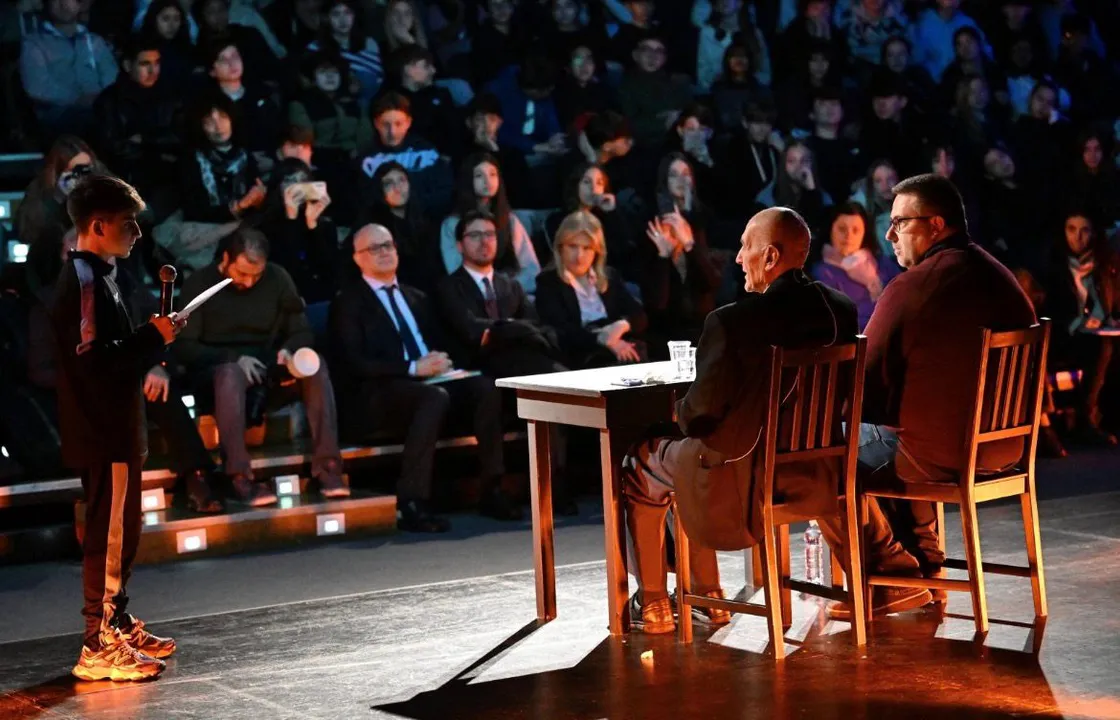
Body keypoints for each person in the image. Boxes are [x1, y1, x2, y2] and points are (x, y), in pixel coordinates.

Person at [622, 207, 859, 633]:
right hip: (816, 473)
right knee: (686, 452)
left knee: (644, 460)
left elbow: (699, 415)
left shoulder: (732, 321)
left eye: (746, 246)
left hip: (741, 480)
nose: (736, 258)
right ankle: (706, 597)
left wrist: (675, 409)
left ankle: (657, 604)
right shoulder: (839, 309)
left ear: (770, 257)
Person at [816, 174, 1037, 619]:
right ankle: (927, 572)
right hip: (1004, 447)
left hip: (941, 454)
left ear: (936, 225)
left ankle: (890, 574)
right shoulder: (997, 275)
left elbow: (865, 386)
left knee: (819, 456)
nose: (889, 234)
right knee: (894, 429)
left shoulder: (915, 285)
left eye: (901, 223)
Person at [51, 175, 182, 681]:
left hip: (120, 426)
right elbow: (92, 365)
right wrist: (151, 336)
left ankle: (117, 622)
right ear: (98, 226)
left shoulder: (103, 275)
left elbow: (112, 354)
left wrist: (154, 338)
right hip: (103, 430)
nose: (137, 234)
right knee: (107, 537)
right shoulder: (85, 280)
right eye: (129, 225)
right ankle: (98, 642)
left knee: (123, 532)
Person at [328, 223, 517, 530]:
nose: (385, 252)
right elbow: (354, 363)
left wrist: (444, 359)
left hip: (430, 381)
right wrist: (413, 368)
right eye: (374, 248)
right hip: (378, 392)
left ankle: (493, 488)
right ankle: (412, 500)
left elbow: (441, 342)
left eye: (388, 245)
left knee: (485, 388)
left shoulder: (416, 297)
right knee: (433, 397)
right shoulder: (348, 302)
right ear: (357, 258)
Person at [175, 228, 348, 505]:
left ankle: (328, 467)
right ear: (226, 259)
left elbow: (301, 330)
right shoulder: (200, 284)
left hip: (268, 366)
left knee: (315, 365)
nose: (249, 282)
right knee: (230, 373)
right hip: (219, 371)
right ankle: (238, 476)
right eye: (242, 273)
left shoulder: (278, 278)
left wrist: (288, 351)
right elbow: (184, 347)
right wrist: (232, 357)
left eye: (256, 275)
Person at [1040, 210, 1120, 445]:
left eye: (1084, 230)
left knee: (1110, 345)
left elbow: (1113, 304)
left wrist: (1108, 318)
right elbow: (1049, 310)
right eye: (1072, 230)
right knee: (1101, 346)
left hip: (1098, 332)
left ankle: (1107, 417)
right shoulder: (1054, 267)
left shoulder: (1105, 264)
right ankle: (1086, 421)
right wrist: (1078, 323)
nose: (1078, 237)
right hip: (1063, 335)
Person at [535, 210, 647, 369]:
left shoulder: (609, 276)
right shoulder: (548, 282)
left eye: (587, 248)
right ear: (560, 248)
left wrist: (621, 326)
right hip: (579, 356)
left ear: (597, 252)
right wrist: (602, 339)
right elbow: (560, 332)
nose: (579, 256)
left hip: (619, 351)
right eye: (572, 246)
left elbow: (639, 315)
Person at [92, 35, 183, 222]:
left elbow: (183, 138)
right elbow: (113, 149)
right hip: (126, 180)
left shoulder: (172, 97)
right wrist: (158, 151)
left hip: (169, 180)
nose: (153, 70)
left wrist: (145, 139)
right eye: (144, 64)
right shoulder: (109, 101)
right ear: (128, 66)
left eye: (157, 63)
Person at [641, 153, 719, 351]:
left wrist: (690, 245)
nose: (681, 180)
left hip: (701, 324)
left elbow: (711, 283)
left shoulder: (701, 221)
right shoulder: (654, 225)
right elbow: (658, 304)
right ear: (664, 181)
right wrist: (664, 257)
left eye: (686, 174)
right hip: (668, 331)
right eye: (674, 175)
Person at [439, 153, 541, 294]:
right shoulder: (452, 224)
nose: (488, 181)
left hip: (512, 293)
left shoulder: (509, 220)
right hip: (473, 297)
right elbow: (455, 271)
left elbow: (532, 269)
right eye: (479, 176)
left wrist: (506, 288)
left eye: (493, 174)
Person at [244, 158, 339, 306]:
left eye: (303, 182)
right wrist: (291, 220)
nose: (297, 188)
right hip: (278, 298)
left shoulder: (325, 224)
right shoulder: (262, 225)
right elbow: (283, 268)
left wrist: (312, 225)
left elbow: (329, 271)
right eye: (290, 182)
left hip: (318, 299)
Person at [19, 0, 118, 137]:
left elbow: (111, 77)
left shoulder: (94, 41)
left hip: (100, 107)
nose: (63, 4)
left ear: (80, 5)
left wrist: (101, 98)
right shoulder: (34, 43)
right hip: (57, 113)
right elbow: (37, 87)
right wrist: (76, 99)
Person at [356, 91, 454, 219]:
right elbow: (363, 199)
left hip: (425, 222)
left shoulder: (427, 152)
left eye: (398, 124)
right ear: (376, 124)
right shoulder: (366, 158)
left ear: (408, 122)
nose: (392, 131)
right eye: (386, 124)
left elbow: (443, 192)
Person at [810, 202, 899, 330]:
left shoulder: (882, 263)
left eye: (856, 230)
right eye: (842, 229)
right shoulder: (822, 273)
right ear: (830, 230)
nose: (849, 236)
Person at [363, 161, 444, 294]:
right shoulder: (372, 228)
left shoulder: (426, 222)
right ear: (380, 189)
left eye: (402, 180)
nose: (397, 187)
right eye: (389, 183)